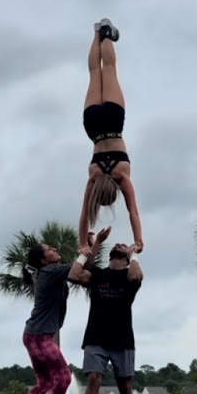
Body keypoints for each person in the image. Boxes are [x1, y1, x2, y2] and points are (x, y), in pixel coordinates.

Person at [7, 230, 109, 394]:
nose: (55, 249)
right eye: (50, 250)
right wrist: (85, 249)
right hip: (39, 336)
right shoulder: (49, 272)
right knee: (63, 378)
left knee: (45, 382)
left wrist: (94, 245)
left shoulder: (52, 271)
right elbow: (77, 269)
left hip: (35, 335)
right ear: (44, 261)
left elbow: (83, 268)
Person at [79, 19, 144, 253]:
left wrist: (139, 241)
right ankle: (97, 32)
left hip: (114, 122)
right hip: (94, 127)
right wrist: (81, 243)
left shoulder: (122, 175)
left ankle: (107, 33)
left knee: (109, 69)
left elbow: (133, 211)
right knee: (94, 72)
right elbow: (84, 215)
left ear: (115, 191)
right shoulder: (93, 176)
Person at [68, 237, 143, 394]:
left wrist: (133, 254)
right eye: (117, 245)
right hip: (96, 337)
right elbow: (74, 275)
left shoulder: (130, 275)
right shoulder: (98, 274)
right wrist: (89, 249)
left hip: (122, 338)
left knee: (125, 385)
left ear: (127, 256)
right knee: (94, 378)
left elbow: (137, 276)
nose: (119, 244)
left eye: (124, 245)